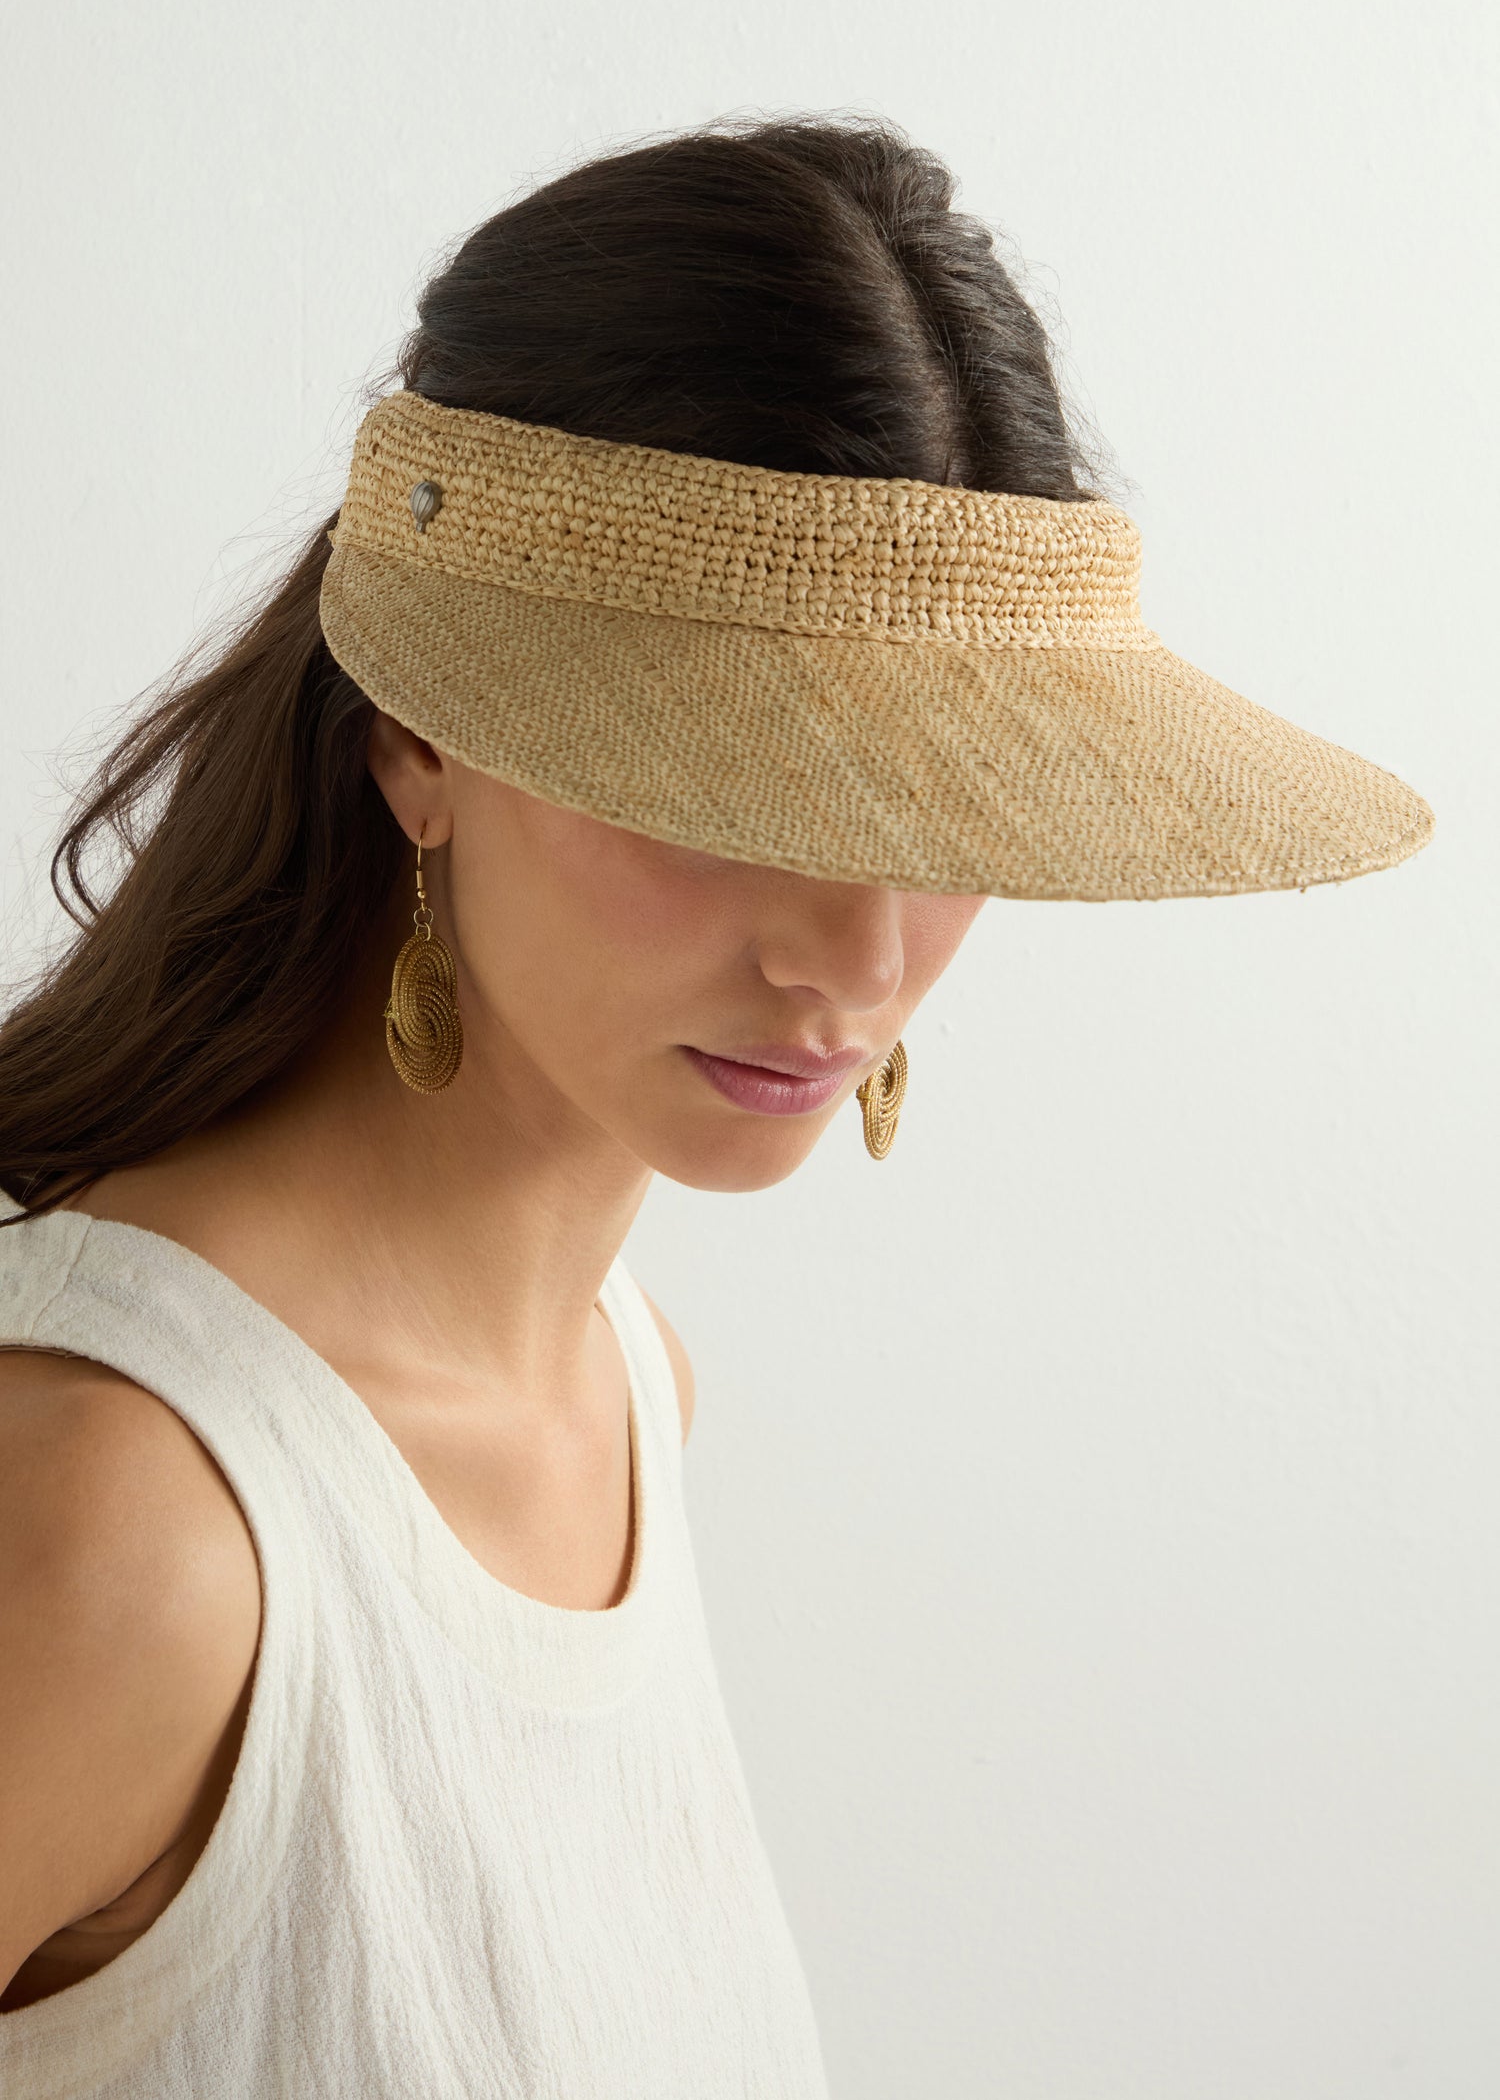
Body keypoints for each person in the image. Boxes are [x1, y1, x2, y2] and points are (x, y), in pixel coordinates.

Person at [0, 113, 1430, 2096]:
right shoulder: (120, 1521)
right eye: (728, 799)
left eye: (939, 818)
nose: (852, 963)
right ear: (420, 726)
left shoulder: (627, 1386)